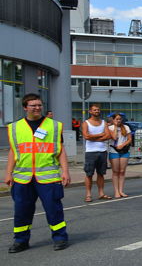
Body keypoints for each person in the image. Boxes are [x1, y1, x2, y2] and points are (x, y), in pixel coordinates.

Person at [5, 94, 70, 252]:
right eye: (33, 105)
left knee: (53, 209)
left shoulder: (54, 126)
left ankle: (60, 238)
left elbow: (60, 150)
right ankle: (21, 241)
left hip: (48, 177)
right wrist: (8, 173)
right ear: (25, 107)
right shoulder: (15, 127)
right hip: (22, 178)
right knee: (21, 211)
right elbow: (13, 152)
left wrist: (65, 171)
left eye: (39, 105)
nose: (37, 108)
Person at [82, 103, 111, 201]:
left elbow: (108, 135)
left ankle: (101, 193)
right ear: (90, 111)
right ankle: (88, 195)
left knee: (101, 174)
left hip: (103, 151)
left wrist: (94, 137)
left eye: (98, 110)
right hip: (90, 152)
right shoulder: (86, 123)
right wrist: (101, 134)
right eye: (94, 110)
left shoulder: (104, 122)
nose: (97, 111)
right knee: (89, 174)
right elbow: (86, 136)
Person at [108, 113, 131, 198]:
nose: (118, 121)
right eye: (116, 119)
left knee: (122, 171)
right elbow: (114, 137)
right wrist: (115, 127)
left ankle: (121, 190)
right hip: (114, 150)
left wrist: (123, 144)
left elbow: (129, 139)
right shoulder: (109, 128)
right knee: (115, 171)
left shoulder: (126, 127)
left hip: (124, 151)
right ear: (113, 120)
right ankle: (116, 191)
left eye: (120, 119)